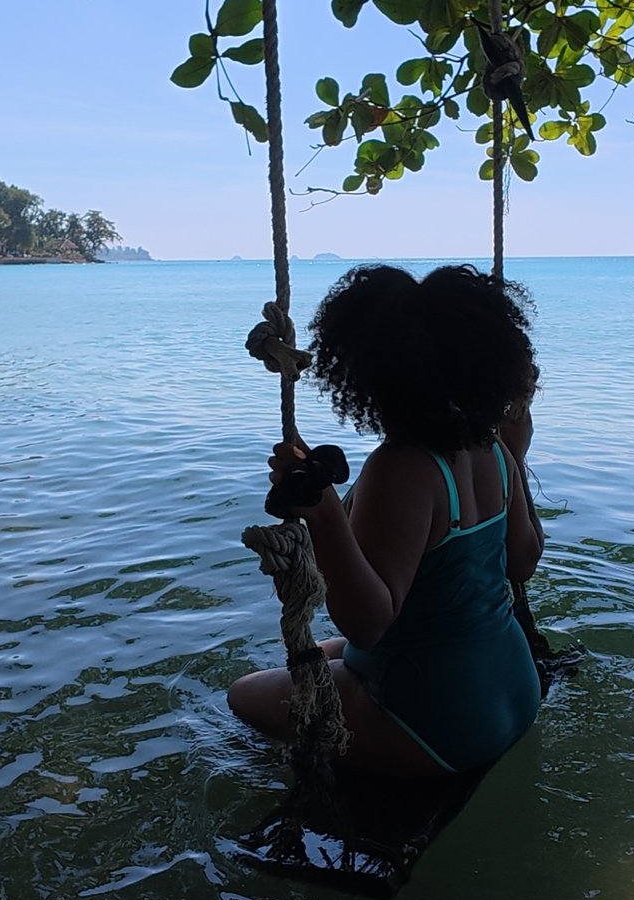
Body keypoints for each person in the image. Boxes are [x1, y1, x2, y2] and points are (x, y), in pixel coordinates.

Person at [228, 264, 545, 779]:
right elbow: (523, 562)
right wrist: (517, 455)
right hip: (515, 688)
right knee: (329, 653)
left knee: (245, 694)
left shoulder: (400, 468)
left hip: (445, 726)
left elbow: (369, 625)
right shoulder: (491, 447)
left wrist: (324, 511)